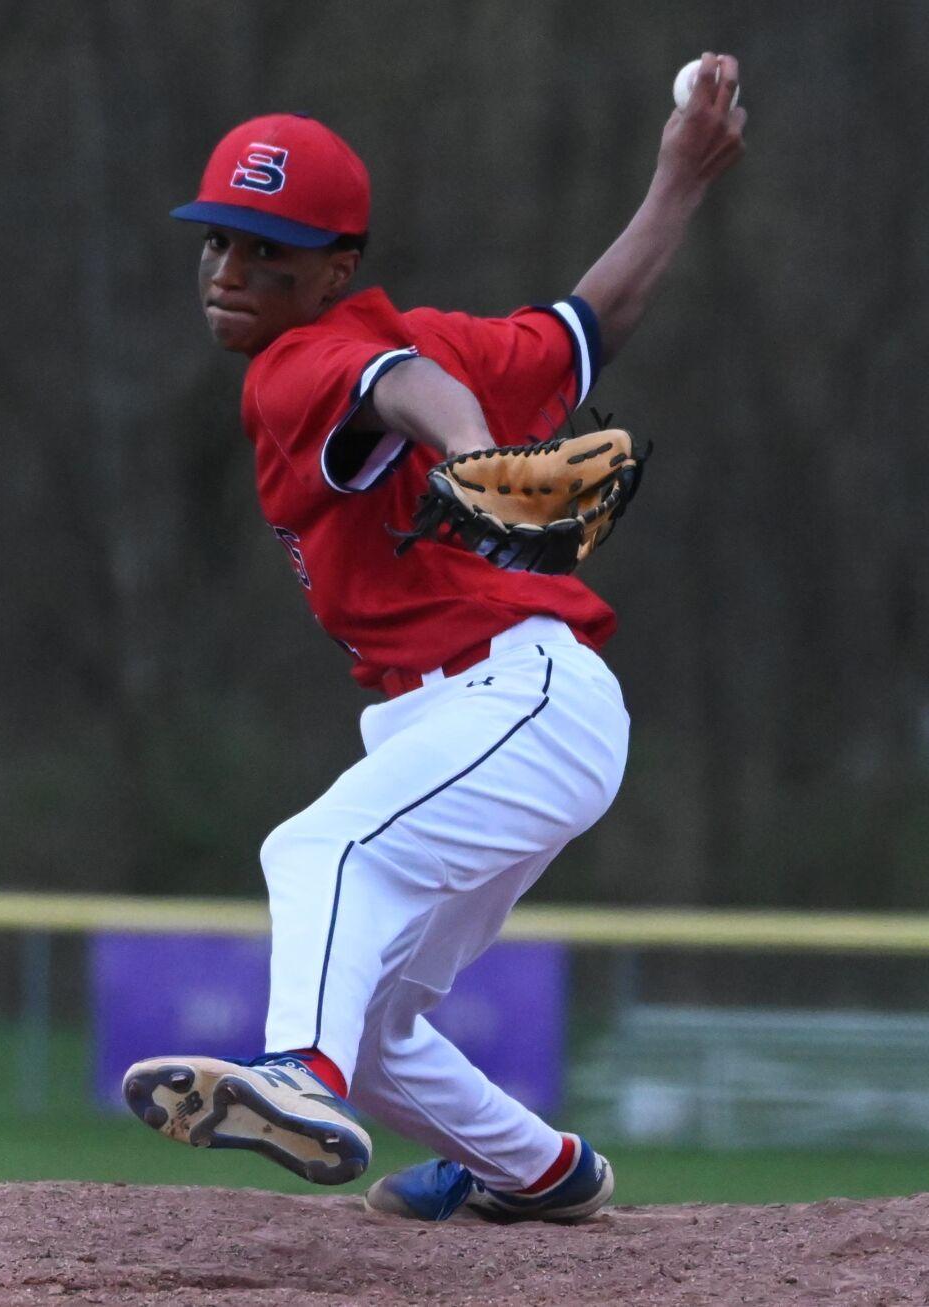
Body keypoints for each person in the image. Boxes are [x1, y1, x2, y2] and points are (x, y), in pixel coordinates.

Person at [124, 54, 746, 1223]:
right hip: (492, 714)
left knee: (317, 855)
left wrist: (468, 453)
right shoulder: (441, 343)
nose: (230, 271)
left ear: (335, 272)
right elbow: (588, 323)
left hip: (514, 695)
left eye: (270, 252)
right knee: (374, 1013)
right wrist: (677, 183)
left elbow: (398, 385)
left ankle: (292, 1076)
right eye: (217, 242)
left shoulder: (297, 365)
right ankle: (542, 1169)